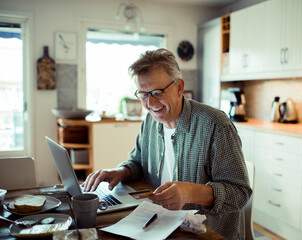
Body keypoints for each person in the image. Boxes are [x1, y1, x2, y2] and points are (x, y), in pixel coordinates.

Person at [82, 48, 252, 240]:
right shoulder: (150, 121)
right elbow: (137, 163)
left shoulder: (215, 125)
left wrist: (189, 192)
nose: (150, 102)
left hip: (206, 233)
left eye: (157, 92)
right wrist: (120, 172)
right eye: (143, 94)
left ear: (180, 87)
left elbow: (240, 193)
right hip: (160, 225)